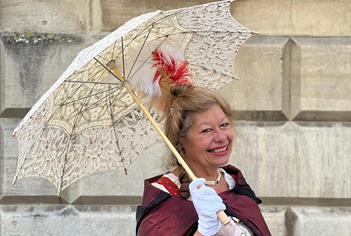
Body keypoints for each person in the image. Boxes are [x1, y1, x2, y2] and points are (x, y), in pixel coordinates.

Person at [135, 85, 271, 236]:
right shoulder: (164, 196)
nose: (221, 137)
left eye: (224, 125)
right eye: (206, 130)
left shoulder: (233, 181)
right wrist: (204, 229)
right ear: (180, 140)